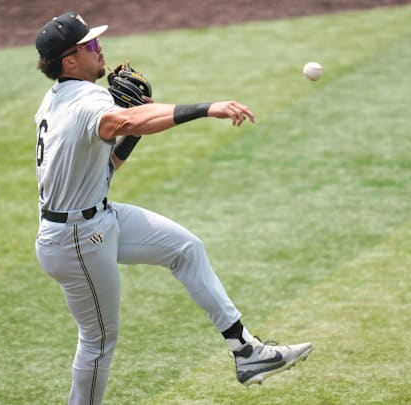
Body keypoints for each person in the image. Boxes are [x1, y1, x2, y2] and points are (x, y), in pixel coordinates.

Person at [33, 11, 313, 404]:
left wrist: (132, 127)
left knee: (184, 248)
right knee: (98, 342)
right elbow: (128, 120)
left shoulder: (54, 101)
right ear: (70, 61)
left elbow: (107, 166)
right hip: (77, 240)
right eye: (91, 45)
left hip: (95, 220)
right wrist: (206, 108)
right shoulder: (86, 100)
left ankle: (246, 351)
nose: (101, 50)